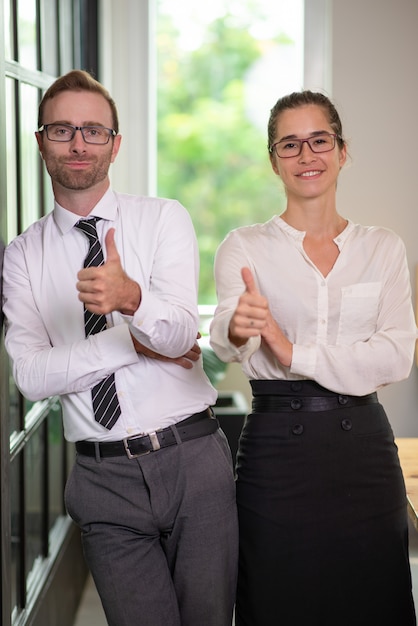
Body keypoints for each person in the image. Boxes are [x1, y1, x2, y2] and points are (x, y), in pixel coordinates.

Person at [2, 69, 238, 626]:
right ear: (40, 141)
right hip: (102, 480)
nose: (78, 143)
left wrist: (132, 297)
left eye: (93, 130)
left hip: (193, 462)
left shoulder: (163, 219)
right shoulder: (22, 256)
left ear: (116, 142)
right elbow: (31, 378)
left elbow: (182, 336)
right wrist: (134, 340)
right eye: (62, 130)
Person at [209, 90, 417, 626]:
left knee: (375, 603)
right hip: (277, 456)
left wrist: (292, 350)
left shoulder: (383, 248)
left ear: (342, 151)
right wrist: (239, 329)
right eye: (290, 144)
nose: (307, 155)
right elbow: (230, 341)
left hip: (365, 453)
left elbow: (395, 357)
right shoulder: (245, 246)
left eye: (319, 140)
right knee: (277, 602)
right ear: (274, 159)